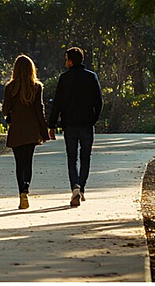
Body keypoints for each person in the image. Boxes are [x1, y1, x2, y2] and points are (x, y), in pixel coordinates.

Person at [48, 47, 103, 207]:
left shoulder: (65, 78)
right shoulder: (91, 77)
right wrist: (94, 119)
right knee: (86, 158)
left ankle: (75, 187)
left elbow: (57, 103)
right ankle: (82, 188)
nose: (65, 62)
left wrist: (51, 125)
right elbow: (99, 101)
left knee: (72, 158)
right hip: (87, 124)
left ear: (71, 61)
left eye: (66, 59)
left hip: (70, 125)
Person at [2, 55, 51, 210]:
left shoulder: (10, 87)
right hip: (31, 130)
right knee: (28, 162)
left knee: (19, 164)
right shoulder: (37, 87)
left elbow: (4, 110)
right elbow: (39, 111)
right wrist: (44, 132)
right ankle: (26, 190)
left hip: (16, 130)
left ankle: (21, 192)